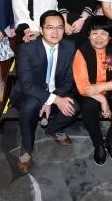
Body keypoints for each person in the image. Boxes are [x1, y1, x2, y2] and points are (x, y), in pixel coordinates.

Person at [10, 10, 78, 173]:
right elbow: (27, 85)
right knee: (30, 106)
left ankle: (52, 129)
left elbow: (69, 81)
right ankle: (26, 147)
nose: (55, 32)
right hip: (29, 93)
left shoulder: (69, 47)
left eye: (59, 27)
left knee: (74, 106)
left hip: (56, 90)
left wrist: (52, 98)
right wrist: (53, 100)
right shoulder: (27, 49)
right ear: (41, 29)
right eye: (50, 27)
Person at [72, 16, 112, 165]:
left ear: (110, 37)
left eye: (104, 33)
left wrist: (101, 88)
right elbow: (82, 86)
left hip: (111, 89)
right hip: (89, 93)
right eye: (95, 33)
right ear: (88, 35)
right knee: (89, 106)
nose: (99, 38)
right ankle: (98, 144)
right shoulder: (81, 52)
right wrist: (102, 99)